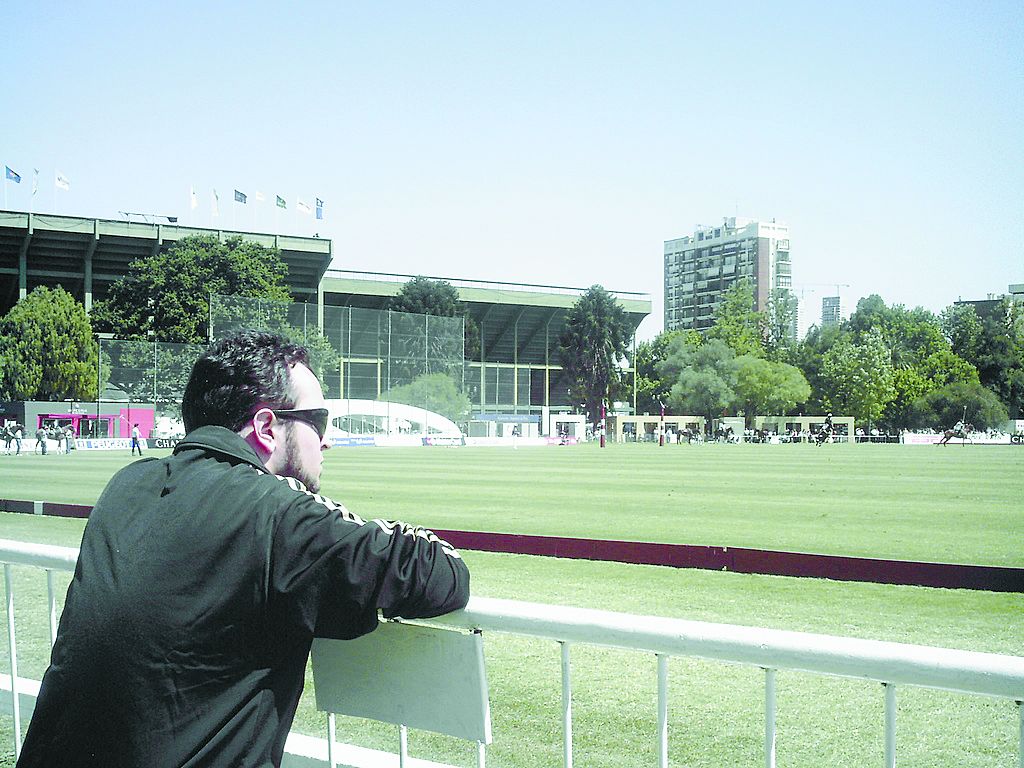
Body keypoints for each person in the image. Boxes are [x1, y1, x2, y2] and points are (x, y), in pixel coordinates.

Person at [17, 330, 471, 768]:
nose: (328, 439)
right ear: (267, 426)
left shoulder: (127, 485)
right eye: (319, 422)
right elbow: (439, 574)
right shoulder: (280, 514)